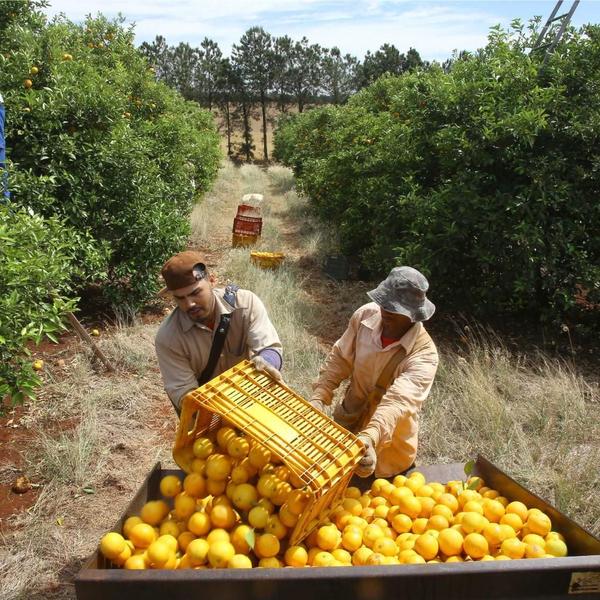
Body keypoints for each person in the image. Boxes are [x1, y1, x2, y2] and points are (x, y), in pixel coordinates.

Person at [310, 266, 438, 478]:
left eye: (394, 308)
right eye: (384, 303)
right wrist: (320, 395)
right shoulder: (365, 316)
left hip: (389, 455)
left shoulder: (424, 355)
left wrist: (370, 437)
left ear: (414, 315)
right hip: (347, 430)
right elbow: (340, 358)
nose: (385, 311)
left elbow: (397, 402)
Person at [155, 250, 283, 413]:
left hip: (251, 398)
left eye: (195, 293)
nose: (189, 304)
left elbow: (270, 347)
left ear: (212, 280)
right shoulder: (168, 338)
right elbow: (184, 393)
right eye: (180, 298)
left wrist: (267, 362)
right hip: (208, 413)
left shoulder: (245, 304)